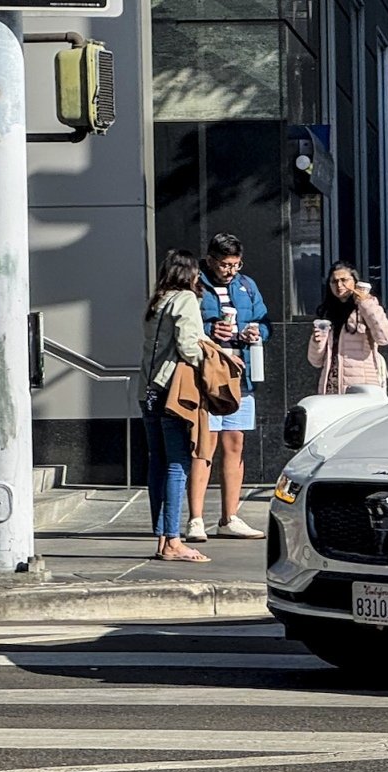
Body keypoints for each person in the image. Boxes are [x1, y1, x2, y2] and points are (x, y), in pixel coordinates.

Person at [186, 232, 270, 542]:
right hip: (208, 377)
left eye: (235, 264)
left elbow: (265, 321)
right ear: (210, 260)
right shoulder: (195, 284)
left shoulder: (247, 285)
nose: (230, 270)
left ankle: (229, 517)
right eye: (224, 264)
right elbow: (184, 323)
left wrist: (255, 331)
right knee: (203, 446)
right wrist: (211, 328)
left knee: (235, 444)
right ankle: (195, 519)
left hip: (241, 377)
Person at [139, 249, 211, 563]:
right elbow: (188, 346)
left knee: (158, 463)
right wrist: (215, 359)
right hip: (173, 394)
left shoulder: (156, 301)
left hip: (148, 391)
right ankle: (173, 540)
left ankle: (162, 540)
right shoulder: (184, 299)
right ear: (188, 273)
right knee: (178, 464)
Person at [308, 261, 388, 394]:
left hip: (361, 385)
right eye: (334, 281)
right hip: (332, 388)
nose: (339, 285)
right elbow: (315, 361)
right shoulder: (328, 313)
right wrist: (317, 342)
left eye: (344, 280)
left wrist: (366, 303)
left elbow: (386, 338)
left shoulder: (367, 306)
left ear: (355, 281)